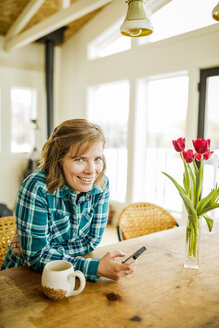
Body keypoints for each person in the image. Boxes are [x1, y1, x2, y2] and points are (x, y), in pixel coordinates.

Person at [1, 119, 136, 281]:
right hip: (21, 277)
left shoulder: (101, 184)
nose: (92, 171)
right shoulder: (37, 187)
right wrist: (95, 267)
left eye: (97, 159)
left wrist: (46, 251)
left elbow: (91, 242)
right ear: (58, 159)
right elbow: (36, 257)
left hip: (70, 276)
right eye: (80, 159)